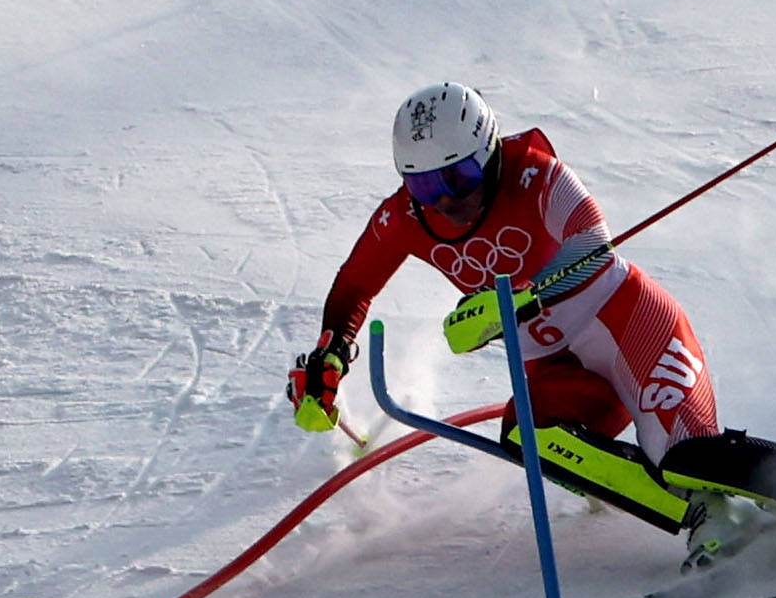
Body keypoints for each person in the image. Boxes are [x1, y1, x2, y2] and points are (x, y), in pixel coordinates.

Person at [287, 82, 724, 473]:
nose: (444, 201)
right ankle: (688, 511)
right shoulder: (402, 217)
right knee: (530, 438)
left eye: (459, 177)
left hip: (630, 325)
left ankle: (771, 490)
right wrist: (332, 353)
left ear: (489, 151)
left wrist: (517, 299)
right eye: (423, 187)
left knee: (690, 458)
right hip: (556, 366)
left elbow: (591, 241)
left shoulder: (533, 173)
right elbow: (355, 286)